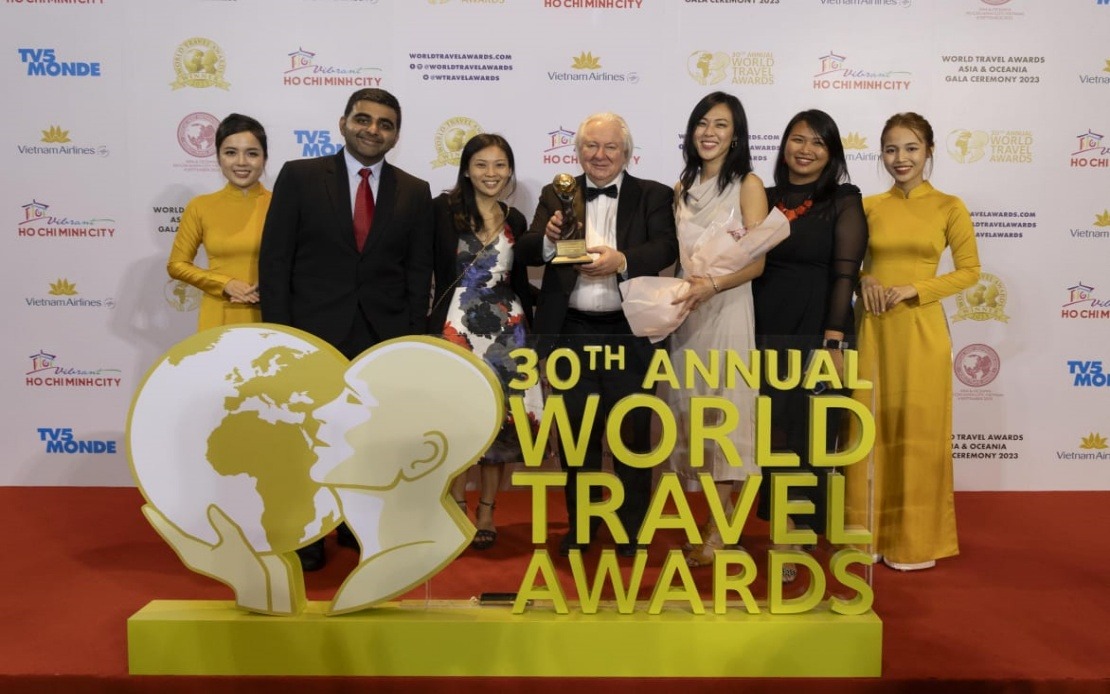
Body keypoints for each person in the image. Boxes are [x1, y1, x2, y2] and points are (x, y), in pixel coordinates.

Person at [259, 88, 434, 571]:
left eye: (385, 124)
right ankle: (309, 530)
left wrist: (410, 342)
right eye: (363, 119)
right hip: (311, 333)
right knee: (307, 436)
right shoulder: (300, 177)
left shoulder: (414, 191)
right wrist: (280, 337)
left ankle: (356, 526)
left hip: (381, 336)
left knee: (367, 438)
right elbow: (275, 261)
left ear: (396, 136)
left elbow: (418, 273)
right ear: (343, 123)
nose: (372, 130)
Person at [516, 112, 678, 558]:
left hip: (631, 333)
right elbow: (527, 248)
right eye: (591, 146)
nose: (600, 155)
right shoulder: (556, 192)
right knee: (576, 437)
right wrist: (549, 241)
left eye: (610, 147)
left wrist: (621, 260)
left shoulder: (653, 194)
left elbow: (666, 247)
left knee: (633, 436)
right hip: (571, 333)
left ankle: (630, 530)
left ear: (626, 153)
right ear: (578, 151)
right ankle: (582, 527)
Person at [846, 112, 981, 571]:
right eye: (891, 149)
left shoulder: (949, 206)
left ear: (929, 151)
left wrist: (915, 288)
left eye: (910, 148)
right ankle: (865, 533)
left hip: (922, 329)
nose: (900, 158)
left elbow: (970, 271)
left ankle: (913, 541)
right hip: (873, 327)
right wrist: (864, 280)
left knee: (918, 433)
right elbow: (849, 264)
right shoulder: (868, 206)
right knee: (866, 428)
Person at [751, 110, 869, 579]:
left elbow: (846, 271)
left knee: (812, 436)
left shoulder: (843, 199)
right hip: (765, 328)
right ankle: (781, 529)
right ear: (784, 146)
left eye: (818, 143)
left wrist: (834, 341)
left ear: (831, 153)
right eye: (798, 139)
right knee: (772, 433)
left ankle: (801, 529)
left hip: (820, 331)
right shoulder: (764, 198)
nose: (806, 150)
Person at [666, 92, 769, 567]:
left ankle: (719, 531)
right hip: (688, 314)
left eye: (721, 125)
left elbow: (757, 262)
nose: (709, 133)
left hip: (727, 308)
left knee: (727, 414)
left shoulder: (748, 184)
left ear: (736, 135)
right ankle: (718, 519)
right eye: (702, 123)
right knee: (694, 417)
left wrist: (713, 284)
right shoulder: (681, 187)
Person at [429, 133, 540, 551]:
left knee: (501, 423)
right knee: (458, 420)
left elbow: (521, 279)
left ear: (509, 171)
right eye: (481, 164)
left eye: (499, 165)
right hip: (455, 327)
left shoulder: (516, 219)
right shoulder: (441, 211)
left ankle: (488, 511)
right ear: (466, 169)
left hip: (507, 330)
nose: (491, 173)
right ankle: (457, 505)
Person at [167, 113, 271, 330]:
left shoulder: (282, 205)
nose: (241, 162)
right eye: (230, 153)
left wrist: (273, 285)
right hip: (218, 317)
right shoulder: (201, 206)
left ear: (265, 158)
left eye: (252, 153)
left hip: (272, 316)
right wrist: (225, 284)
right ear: (218, 157)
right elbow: (177, 265)